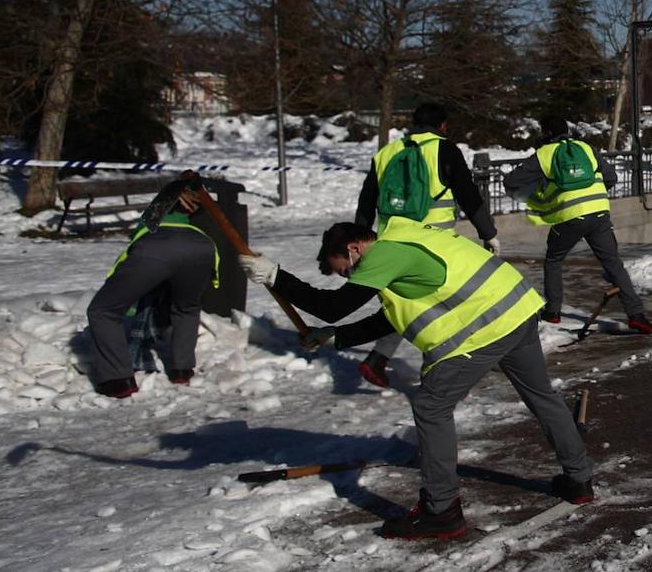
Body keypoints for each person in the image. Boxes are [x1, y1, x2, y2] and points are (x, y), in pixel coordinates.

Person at [238, 218, 593, 540]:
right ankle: (578, 478)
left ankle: (442, 512)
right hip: (514, 310)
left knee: (430, 405)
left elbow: (331, 306)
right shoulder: (406, 241)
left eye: (345, 270)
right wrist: (336, 337)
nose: (351, 279)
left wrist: (275, 276)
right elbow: (391, 318)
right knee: (541, 395)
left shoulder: (385, 255)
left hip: (485, 327)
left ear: (354, 248)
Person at [351, 102, 500, 388]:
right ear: (442, 126)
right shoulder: (445, 149)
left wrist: (360, 242)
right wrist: (488, 233)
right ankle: (437, 375)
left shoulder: (386, 153)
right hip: (435, 244)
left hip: (392, 244)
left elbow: (366, 202)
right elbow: (469, 196)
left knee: (409, 305)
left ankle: (378, 359)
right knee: (445, 307)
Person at [503, 115, 652, 334]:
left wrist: (541, 187)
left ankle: (553, 311)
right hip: (599, 213)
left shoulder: (545, 154)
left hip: (569, 216)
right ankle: (636, 315)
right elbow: (611, 177)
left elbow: (512, 182)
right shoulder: (586, 148)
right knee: (613, 264)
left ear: (546, 133)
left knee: (554, 259)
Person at [85, 178, 219, 397]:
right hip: (202, 248)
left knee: (103, 311)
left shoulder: (150, 221)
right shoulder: (196, 223)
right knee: (187, 308)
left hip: (156, 248)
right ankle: (182, 370)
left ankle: (118, 380)